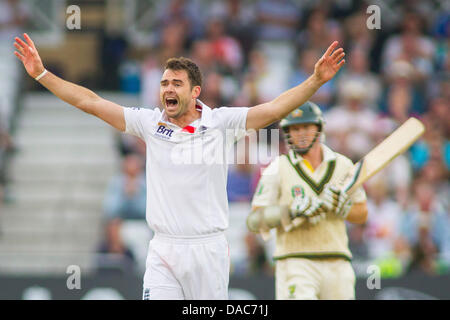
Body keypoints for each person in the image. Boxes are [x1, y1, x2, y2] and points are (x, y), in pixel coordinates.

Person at [13, 33, 345, 300]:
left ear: (195, 91)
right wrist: (42, 74)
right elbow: (91, 102)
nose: (168, 89)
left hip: (208, 250)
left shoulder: (222, 123)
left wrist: (315, 81)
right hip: (163, 248)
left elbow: (273, 110)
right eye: (164, 84)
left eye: (176, 84)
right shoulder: (148, 123)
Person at [250, 101, 368, 300]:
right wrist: (291, 211)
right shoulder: (278, 167)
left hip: (337, 261)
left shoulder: (343, 164)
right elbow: (255, 220)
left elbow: (362, 214)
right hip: (295, 261)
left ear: (319, 128)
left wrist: (342, 207)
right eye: (294, 129)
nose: (300, 133)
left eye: (306, 126)